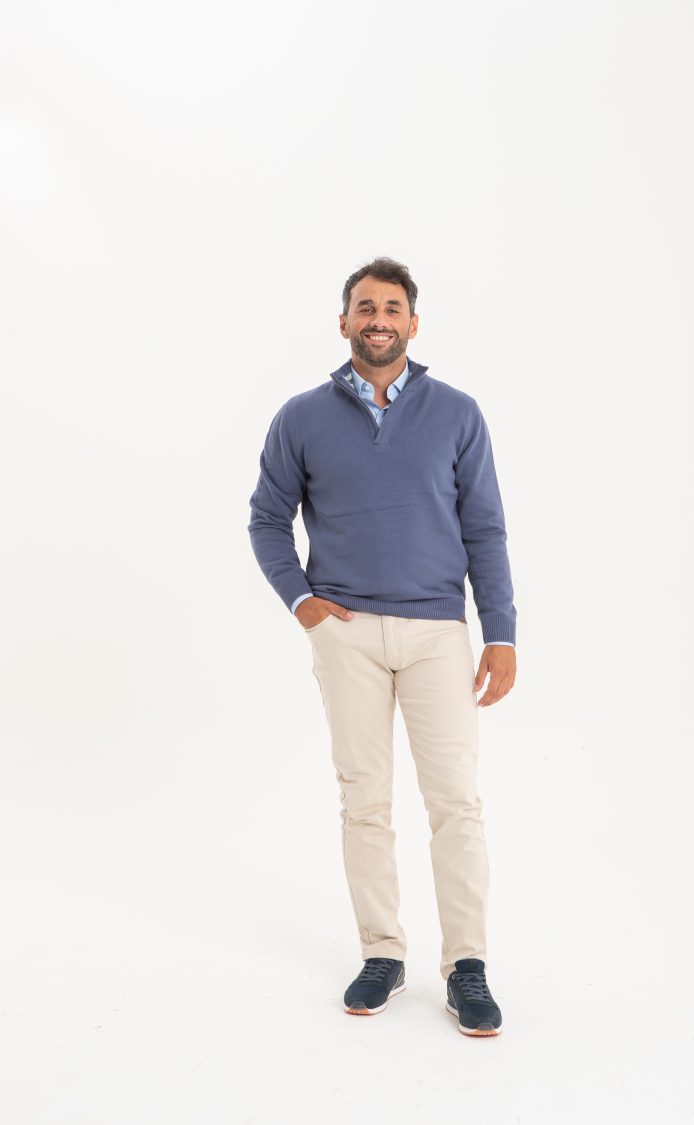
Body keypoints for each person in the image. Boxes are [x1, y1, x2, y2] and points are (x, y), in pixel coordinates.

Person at [247, 256, 517, 1037]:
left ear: (413, 323)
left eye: (392, 308)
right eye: (365, 307)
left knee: (455, 800)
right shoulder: (301, 417)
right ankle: (382, 952)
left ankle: (467, 964)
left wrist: (499, 631)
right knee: (363, 797)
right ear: (344, 322)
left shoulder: (457, 412)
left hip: (437, 630)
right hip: (347, 633)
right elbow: (267, 517)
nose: (378, 319)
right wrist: (301, 600)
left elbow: (485, 529)